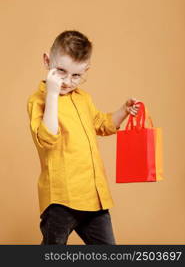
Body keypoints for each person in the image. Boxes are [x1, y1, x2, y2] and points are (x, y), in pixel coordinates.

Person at [27, 30, 140, 245]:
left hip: (93, 197)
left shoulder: (84, 99)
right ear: (47, 61)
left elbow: (102, 124)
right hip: (61, 198)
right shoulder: (38, 100)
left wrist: (123, 111)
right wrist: (52, 94)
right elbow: (47, 138)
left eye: (76, 75)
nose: (67, 81)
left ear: (86, 70)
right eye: (61, 71)